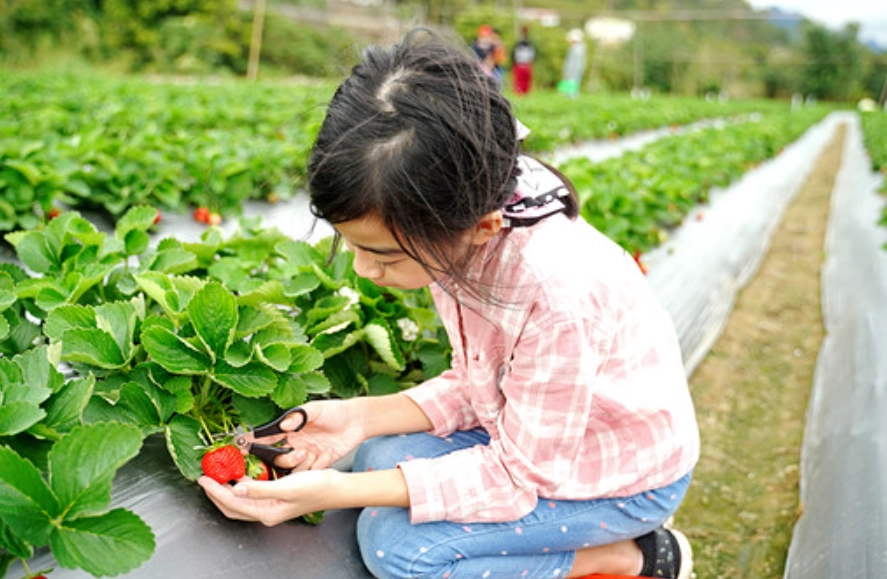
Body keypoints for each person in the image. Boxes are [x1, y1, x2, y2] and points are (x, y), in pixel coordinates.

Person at [199, 28, 700, 579]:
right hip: (537, 435)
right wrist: (356, 419)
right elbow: (477, 381)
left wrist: (336, 492)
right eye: (357, 246)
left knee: (399, 550)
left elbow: (519, 480)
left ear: (479, 227)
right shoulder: (461, 205)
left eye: (384, 255)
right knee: (375, 456)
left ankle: (637, 557)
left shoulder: (555, 291)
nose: (364, 270)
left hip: (619, 475)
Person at [560, 28, 587, 98]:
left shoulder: (578, 49)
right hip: (572, 71)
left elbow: (574, 63)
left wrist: (569, 72)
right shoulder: (576, 48)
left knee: (572, 89)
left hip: (573, 71)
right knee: (569, 88)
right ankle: (569, 98)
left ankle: (572, 99)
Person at [511, 25, 536, 95]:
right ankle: (519, 93)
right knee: (519, 81)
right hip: (519, 64)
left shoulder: (529, 44)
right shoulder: (518, 44)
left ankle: (524, 93)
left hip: (526, 63)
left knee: (525, 81)